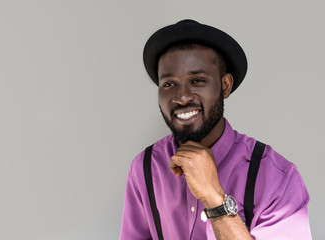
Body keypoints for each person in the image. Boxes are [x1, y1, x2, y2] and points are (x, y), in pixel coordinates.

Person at [120, 19, 312, 239]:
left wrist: (214, 198)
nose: (182, 97)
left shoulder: (276, 178)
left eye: (198, 80)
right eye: (169, 84)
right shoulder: (144, 168)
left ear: (225, 86)